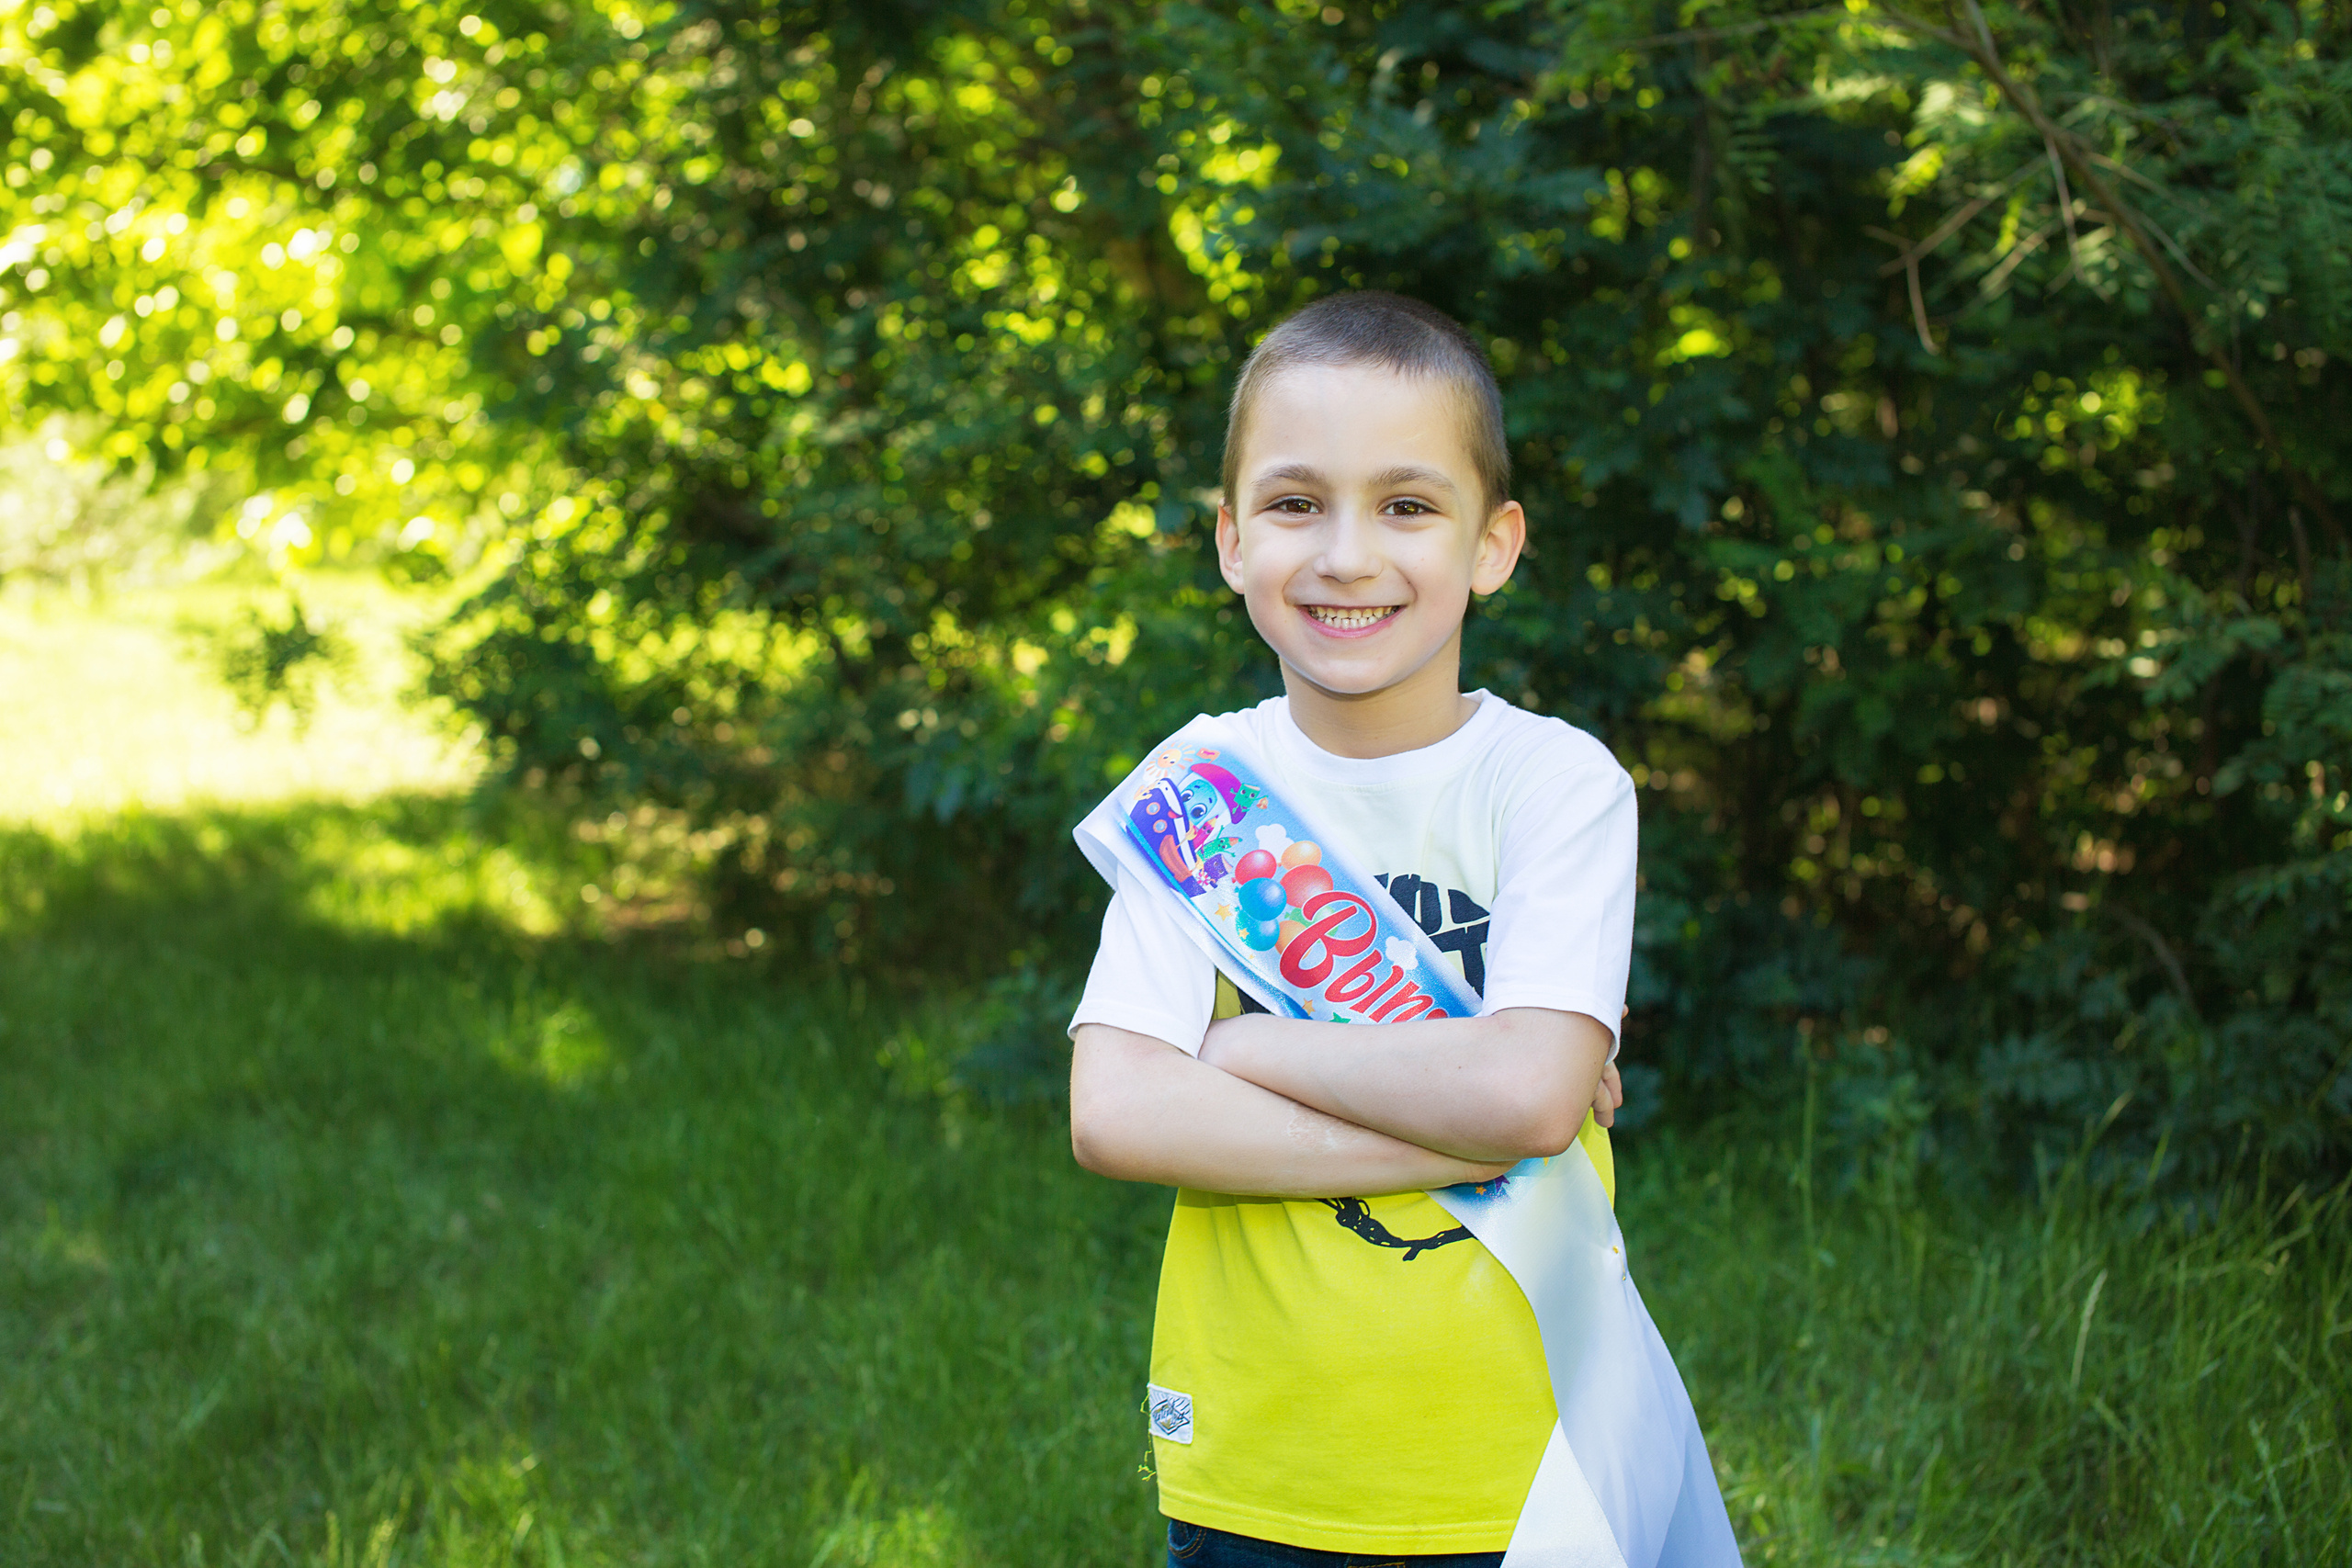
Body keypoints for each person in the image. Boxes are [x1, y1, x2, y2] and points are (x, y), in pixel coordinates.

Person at [1068, 291, 1647, 1567]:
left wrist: (1247, 1052)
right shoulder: (1202, 794)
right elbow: (1115, 1116)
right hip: (1257, 1460)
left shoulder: (1557, 787)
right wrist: (1466, 1097)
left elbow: (1531, 1102)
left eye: (1405, 504)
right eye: (1292, 503)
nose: (1345, 554)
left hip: (1526, 1456)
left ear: (1493, 545)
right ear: (1229, 542)